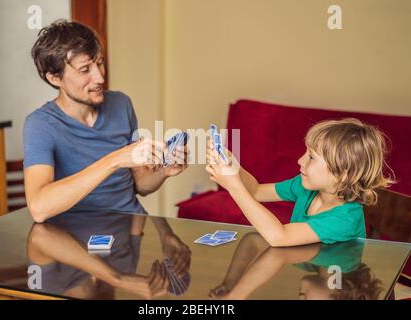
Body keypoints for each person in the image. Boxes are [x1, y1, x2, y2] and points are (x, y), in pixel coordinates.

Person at [24, 20, 187, 222]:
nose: (100, 77)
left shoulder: (121, 104)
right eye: (85, 70)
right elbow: (39, 208)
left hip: (131, 228)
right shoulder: (40, 125)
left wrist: (163, 171)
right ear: (55, 78)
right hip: (77, 237)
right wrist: (115, 160)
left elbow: (140, 185)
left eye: (100, 63)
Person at [206, 118, 394, 247]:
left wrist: (234, 187)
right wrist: (233, 165)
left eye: (311, 157)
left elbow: (279, 237)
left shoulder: (345, 219)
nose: (300, 161)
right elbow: (255, 191)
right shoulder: (305, 187)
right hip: (308, 277)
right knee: (253, 240)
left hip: (336, 292)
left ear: (343, 174)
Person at [27, 211, 191, 299]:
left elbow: (38, 236)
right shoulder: (128, 269)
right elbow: (138, 201)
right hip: (121, 175)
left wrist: (115, 278)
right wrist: (165, 232)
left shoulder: (46, 288)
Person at [209, 233, 383, 300]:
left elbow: (252, 241)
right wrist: (235, 297)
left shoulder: (310, 264)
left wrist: (230, 284)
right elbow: (278, 254)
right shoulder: (340, 261)